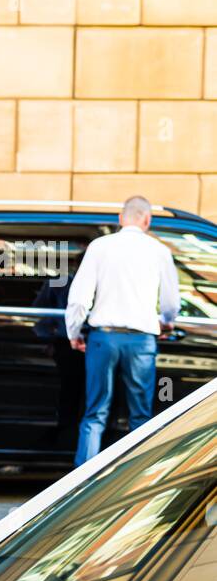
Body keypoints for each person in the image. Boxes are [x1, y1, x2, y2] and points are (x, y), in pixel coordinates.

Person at [65, 196, 181, 466]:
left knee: (95, 414)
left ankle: (81, 485)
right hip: (141, 340)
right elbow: (171, 303)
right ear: (147, 220)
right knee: (140, 414)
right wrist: (166, 320)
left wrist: (73, 333)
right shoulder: (159, 250)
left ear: (121, 218)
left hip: (102, 337)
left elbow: (80, 299)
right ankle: (137, 480)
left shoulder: (99, 246)